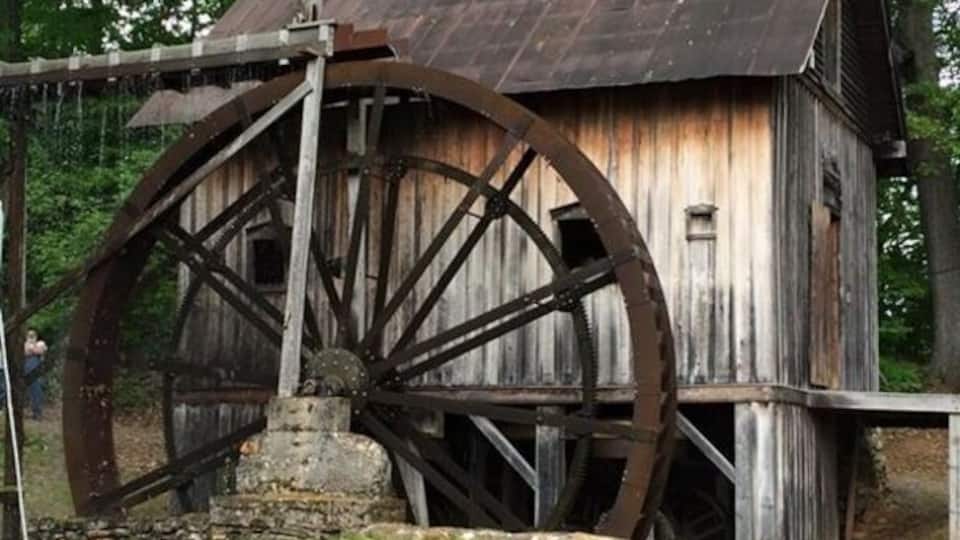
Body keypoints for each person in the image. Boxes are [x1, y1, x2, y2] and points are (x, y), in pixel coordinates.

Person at [24, 330, 47, 420]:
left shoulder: (41, 343)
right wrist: (33, 349)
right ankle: (35, 412)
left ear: (36, 336)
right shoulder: (25, 344)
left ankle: (37, 413)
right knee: (31, 394)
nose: (31, 337)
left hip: (37, 373)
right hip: (27, 373)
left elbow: (40, 351)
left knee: (37, 393)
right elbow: (25, 351)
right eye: (29, 336)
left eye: (33, 336)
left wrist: (32, 349)